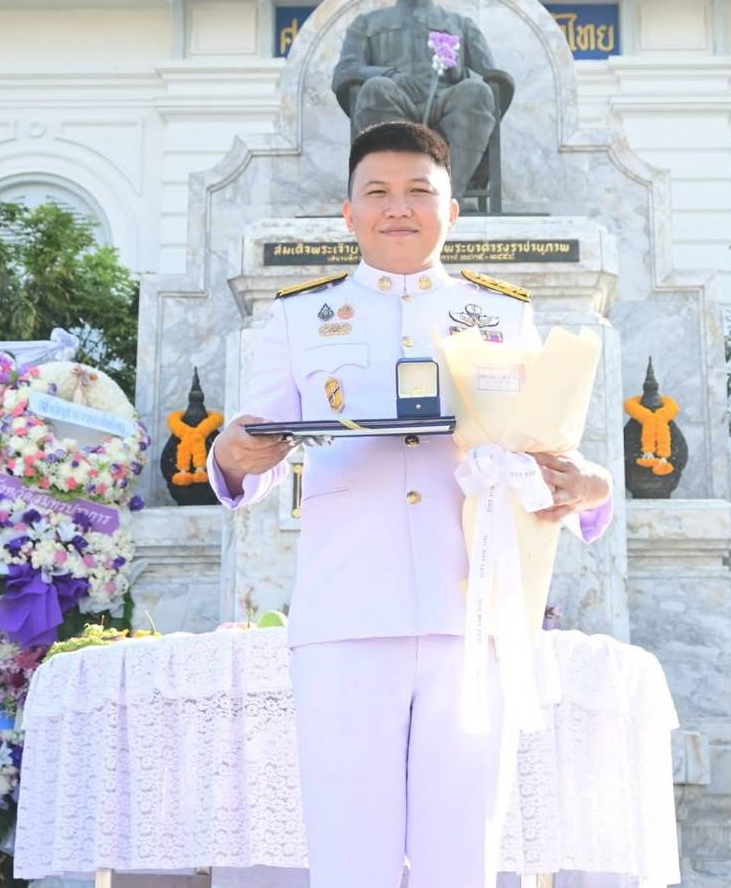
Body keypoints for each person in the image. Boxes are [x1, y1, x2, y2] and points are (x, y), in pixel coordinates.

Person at [209, 120, 612, 887]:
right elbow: (248, 447)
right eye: (378, 191)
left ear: (450, 211)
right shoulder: (297, 318)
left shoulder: (502, 315)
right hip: (346, 615)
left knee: (461, 857)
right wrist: (232, 455)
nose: (398, 207)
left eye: (418, 191)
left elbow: (544, 448)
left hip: (471, 614)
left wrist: (587, 487)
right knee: (348, 857)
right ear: (348, 212)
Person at [332, 0, 504, 204]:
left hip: (446, 102)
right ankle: (395, 193)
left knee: (476, 91)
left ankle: (448, 198)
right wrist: (388, 74)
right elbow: (346, 71)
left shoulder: (460, 24)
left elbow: (492, 78)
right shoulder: (367, 23)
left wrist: (459, 74)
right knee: (376, 88)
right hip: (393, 102)